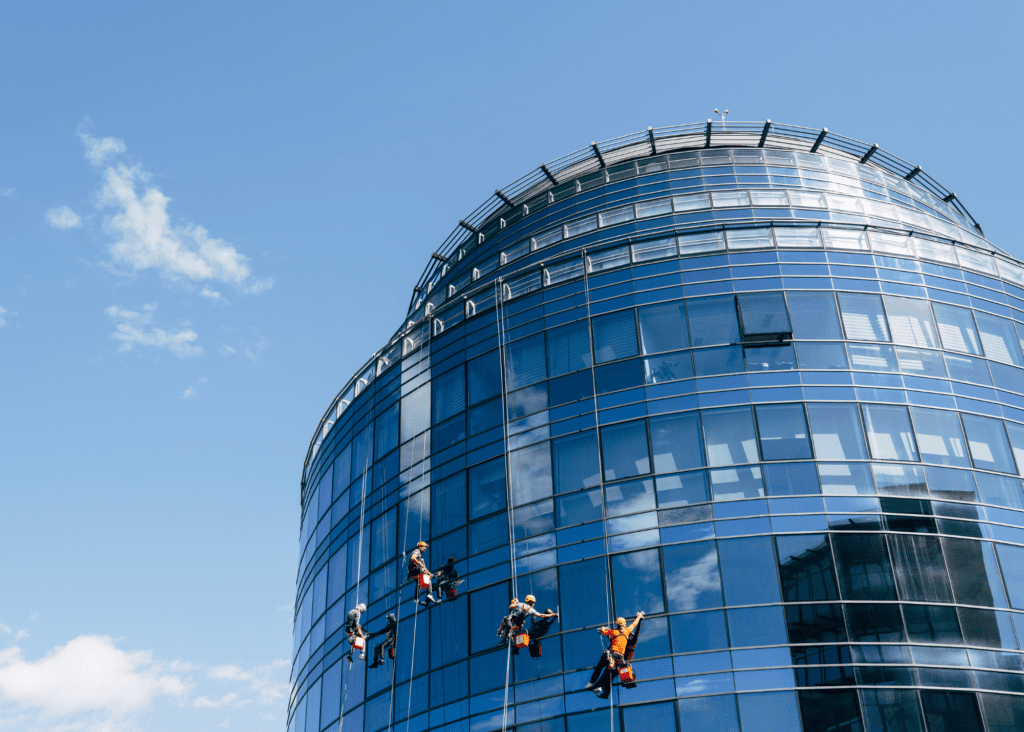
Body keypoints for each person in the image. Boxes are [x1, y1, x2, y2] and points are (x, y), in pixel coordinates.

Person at [584, 611, 645, 698]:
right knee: (609, 675)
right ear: (624, 624)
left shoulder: (614, 632)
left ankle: (593, 684)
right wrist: (640, 616)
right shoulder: (627, 631)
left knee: (601, 666)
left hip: (613, 656)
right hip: (620, 660)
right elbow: (634, 624)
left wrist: (602, 629)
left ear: (617, 625)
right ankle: (602, 690)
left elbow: (605, 631)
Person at [407, 541, 435, 605]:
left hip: (413, 572)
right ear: (420, 547)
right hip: (415, 570)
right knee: (428, 580)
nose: (425, 549)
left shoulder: (419, 555)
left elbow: (423, 568)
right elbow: (413, 558)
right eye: (424, 548)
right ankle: (429, 594)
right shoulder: (417, 551)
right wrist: (420, 564)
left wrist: (429, 573)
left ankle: (416, 598)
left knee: (419, 583)